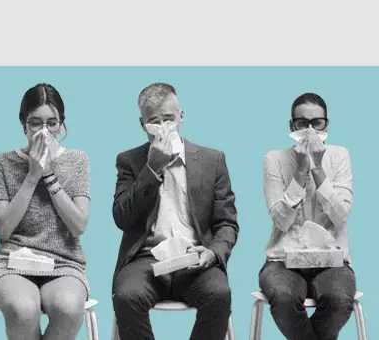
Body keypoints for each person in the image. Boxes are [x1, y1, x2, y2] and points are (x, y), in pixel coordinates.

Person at [111, 83, 239, 340]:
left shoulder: (212, 160)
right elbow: (122, 218)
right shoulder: (129, 161)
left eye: (168, 118)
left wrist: (213, 253)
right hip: (145, 260)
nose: (163, 128)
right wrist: (152, 170)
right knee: (126, 296)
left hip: (195, 259)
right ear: (142, 124)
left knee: (219, 294)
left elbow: (227, 223)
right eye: (154, 122)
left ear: (181, 116)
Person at [0, 83, 91, 340]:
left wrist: (49, 174)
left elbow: (79, 226)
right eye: (35, 123)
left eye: (52, 123)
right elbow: (3, 229)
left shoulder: (77, 160)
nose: (44, 131)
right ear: (24, 124)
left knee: (68, 308)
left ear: (61, 125)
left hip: (64, 263)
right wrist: (32, 176)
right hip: (12, 263)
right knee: (23, 309)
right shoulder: (3, 162)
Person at [259, 93, 356, 340]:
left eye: (317, 123)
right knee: (283, 297)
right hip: (282, 259)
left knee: (338, 298)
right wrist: (301, 171)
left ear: (327, 125)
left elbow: (340, 215)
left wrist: (317, 169)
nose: (310, 130)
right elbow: (281, 220)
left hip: (332, 259)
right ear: (292, 126)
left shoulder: (340, 155)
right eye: (302, 123)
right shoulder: (274, 159)